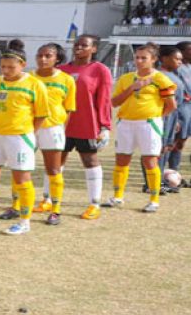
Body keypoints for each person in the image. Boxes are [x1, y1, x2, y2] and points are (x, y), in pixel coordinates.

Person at [0, 40, 49, 235]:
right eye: (3, 66)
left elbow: (41, 114)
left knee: (22, 179)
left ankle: (24, 221)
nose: (6, 70)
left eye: (11, 67)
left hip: (19, 137)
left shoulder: (35, 84)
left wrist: (27, 133)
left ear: (22, 65)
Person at [104, 43, 176, 212]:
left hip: (148, 124)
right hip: (125, 123)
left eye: (144, 58)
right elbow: (114, 103)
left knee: (150, 161)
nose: (139, 60)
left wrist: (156, 117)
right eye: (137, 57)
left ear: (154, 59)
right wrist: (132, 88)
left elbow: (171, 105)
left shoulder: (161, 79)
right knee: (122, 160)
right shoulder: (126, 78)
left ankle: (154, 200)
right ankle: (117, 197)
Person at [57, 34, 112, 220]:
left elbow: (104, 99)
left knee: (89, 161)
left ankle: (94, 204)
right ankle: (49, 199)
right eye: (76, 44)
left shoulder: (100, 70)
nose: (79, 48)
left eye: (84, 45)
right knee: (56, 162)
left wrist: (104, 126)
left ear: (94, 49)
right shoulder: (61, 70)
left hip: (87, 124)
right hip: (62, 124)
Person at [29, 43, 76, 225]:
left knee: (53, 169)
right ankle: (17, 205)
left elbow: (69, 109)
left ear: (57, 58)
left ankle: (55, 210)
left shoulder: (66, 80)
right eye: (40, 55)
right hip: (28, 128)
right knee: (22, 169)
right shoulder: (28, 78)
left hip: (52, 128)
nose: (43, 59)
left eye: (48, 56)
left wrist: (60, 129)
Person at [158, 46, 189, 189]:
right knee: (161, 147)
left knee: (171, 145)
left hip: (176, 114)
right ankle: (157, 180)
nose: (179, 62)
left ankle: (168, 177)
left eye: (180, 59)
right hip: (165, 114)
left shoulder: (177, 74)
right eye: (177, 58)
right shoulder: (161, 75)